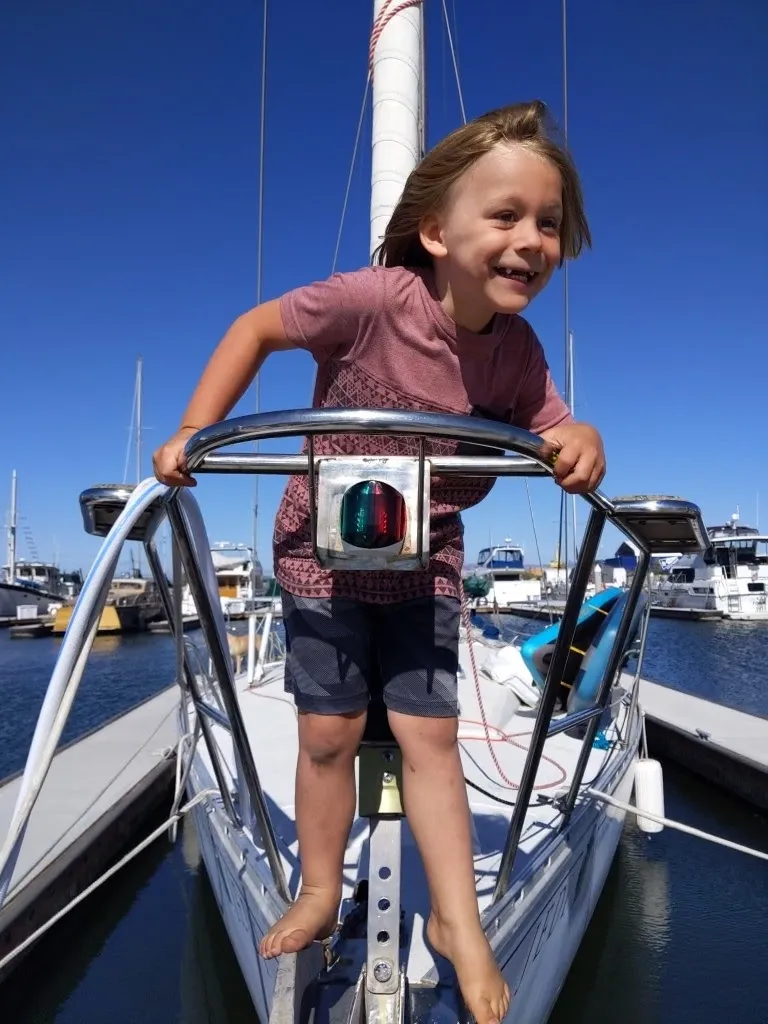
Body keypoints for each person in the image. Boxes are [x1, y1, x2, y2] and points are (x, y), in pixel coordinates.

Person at [154, 100, 605, 1024]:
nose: (531, 240)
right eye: (507, 215)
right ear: (436, 231)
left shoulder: (517, 356)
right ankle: (321, 888)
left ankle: (459, 925)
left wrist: (579, 436)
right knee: (325, 733)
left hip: (427, 559)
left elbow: (556, 427)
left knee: (429, 741)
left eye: (548, 224)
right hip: (317, 549)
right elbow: (255, 329)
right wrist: (197, 431)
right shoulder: (372, 300)